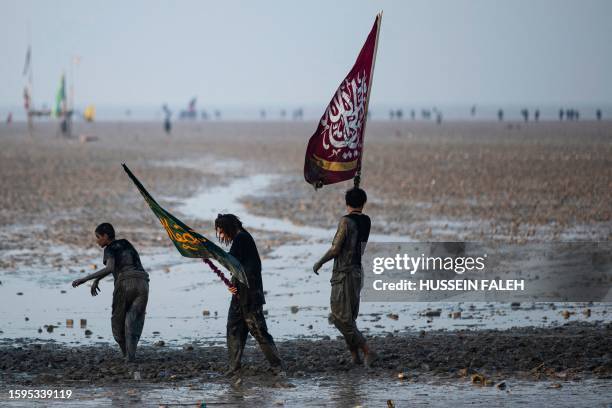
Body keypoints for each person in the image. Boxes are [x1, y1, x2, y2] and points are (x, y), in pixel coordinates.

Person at [313, 187, 377, 367]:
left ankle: (367, 350)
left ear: (346, 203)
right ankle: (355, 357)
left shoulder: (345, 221)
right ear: (363, 202)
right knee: (350, 317)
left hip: (343, 274)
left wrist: (319, 262)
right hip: (357, 271)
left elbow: (335, 248)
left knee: (339, 316)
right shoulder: (367, 220)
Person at [215, 214, 283, 376]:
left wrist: (212, 252)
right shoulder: (242, 238)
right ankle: (234, 366)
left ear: (230, 228)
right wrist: (232, 284)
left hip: (250, 295)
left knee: (258, 330)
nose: (222, 236)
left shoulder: (241, 238)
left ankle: (277, 366)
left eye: (222, 232)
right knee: (234, 328)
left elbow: (231, 262)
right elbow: (238, 267)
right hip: (240, 293)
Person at [71, 223, 149, 363]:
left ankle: (126, 355)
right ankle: (130, 357)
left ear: (106, 236)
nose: (97, 240)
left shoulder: (109, 249)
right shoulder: (125, 243)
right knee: (134, 321)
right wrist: (98, 280)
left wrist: (85, 279)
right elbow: (120, 265)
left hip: (125, 283)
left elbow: (110, 268)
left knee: (117, 324)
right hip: (143, 282)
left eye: (98, 237)